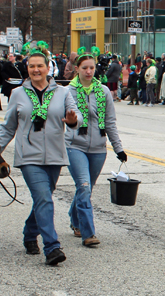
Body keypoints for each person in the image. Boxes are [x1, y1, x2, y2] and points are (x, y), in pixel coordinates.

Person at [0, 48, 82, 265]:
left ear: (47, 68)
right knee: (44, 198)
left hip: (55, 155)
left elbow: (76, 117)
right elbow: (8, 127)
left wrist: (72, 120)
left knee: (42, 200)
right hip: (29, 156)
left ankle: (29, 233)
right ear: (27, 68)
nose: (36, 70)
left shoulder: (63, 92)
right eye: (32, 66)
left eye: (40, 66)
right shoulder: (18, 94)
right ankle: (52, 247)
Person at [65, 52, 127, 247]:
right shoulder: (68, 92)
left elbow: (110, 122)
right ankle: (88, 233)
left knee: (86, 189)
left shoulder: (103, 91)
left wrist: (118, 148)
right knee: (83, 186)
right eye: (85, 68)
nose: (89, 71)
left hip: (99, 149)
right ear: (77, 69)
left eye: (92, 68)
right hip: (75, 146)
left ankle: (74, 218)